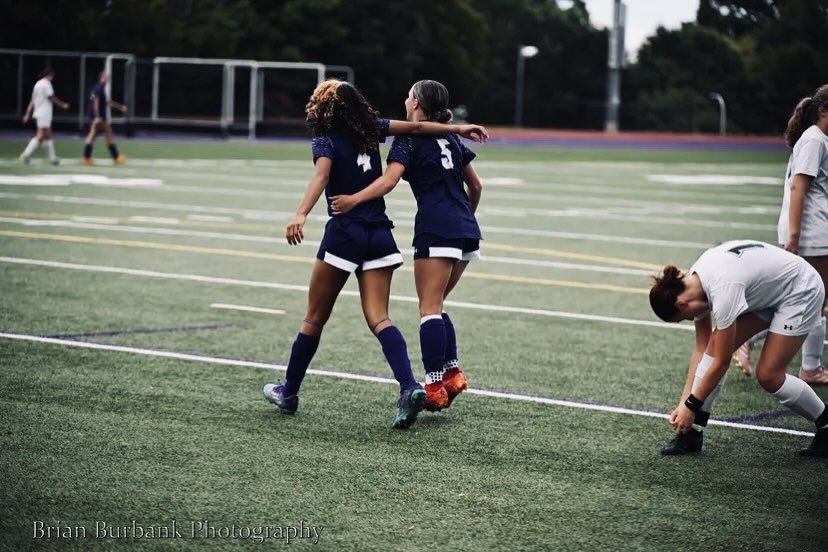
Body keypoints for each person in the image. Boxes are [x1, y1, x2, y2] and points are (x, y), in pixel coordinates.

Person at [262, 79, 488, 429]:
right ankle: (409, 386)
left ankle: (288, 392)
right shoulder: (374, 130)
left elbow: (324, 176)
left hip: (346, 232)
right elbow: (418, 129)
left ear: (325, 108)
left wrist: (301, 213)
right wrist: (456, 128)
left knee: (313, 318)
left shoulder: (327, 137)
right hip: (381, 234)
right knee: (381, 318)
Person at [330, 79, 484, 413]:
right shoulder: (448, 135)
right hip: (467, 228)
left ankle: (433, 385)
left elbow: (387, 181)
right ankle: (453, 374)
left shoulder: (409, 139)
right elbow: (476, 184)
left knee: (428, 308)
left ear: (415, 103)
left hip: (436, 228)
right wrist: (464, 218)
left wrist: (353, 199)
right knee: (438, 302)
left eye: (409, 95)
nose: (405, 98)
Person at [649, 239, 828, 457]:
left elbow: (721, 362)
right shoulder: (694, 282)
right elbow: (702, 350)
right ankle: (692, 434)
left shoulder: (722, 290)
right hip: (773, 291)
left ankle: (826, 423)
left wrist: (691, 406)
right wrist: (684, 402)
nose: (690, 320)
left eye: (683, 319)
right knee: (715, 345)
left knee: (769, 375)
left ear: (681, 305)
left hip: (801, 291)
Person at [733, 85, 828, 383]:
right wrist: (795, 238)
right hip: (813, 233)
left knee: (810, 299)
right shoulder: (814, 140)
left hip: (815, 231)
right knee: (814, 299)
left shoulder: (817, 139)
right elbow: (799, 188)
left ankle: (806, 365)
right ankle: (808, 367)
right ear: (823, 110)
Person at [19, 67, 70, 165]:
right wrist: (63, 105)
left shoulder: (37, 84)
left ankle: (52, 158)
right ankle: (26, 155)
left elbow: (32, 101)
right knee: (41, 135)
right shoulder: (46, 84)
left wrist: (27, 114)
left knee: (48, 135)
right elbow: (51, 97)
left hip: (38, 112)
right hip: (44, 113)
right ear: (50, 75)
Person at [82, 71, 128, 165]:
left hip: (97, 117)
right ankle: (116, 158)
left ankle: (87, 158)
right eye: (107, 77)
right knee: (107, 134)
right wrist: (97, 116)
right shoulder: (99, 88)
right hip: (99, 117)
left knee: (93, 136)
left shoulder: (99, 87)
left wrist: (120, 107)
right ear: (102, 77)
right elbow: (96, 102)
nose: (108, 79)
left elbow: (107, 102)